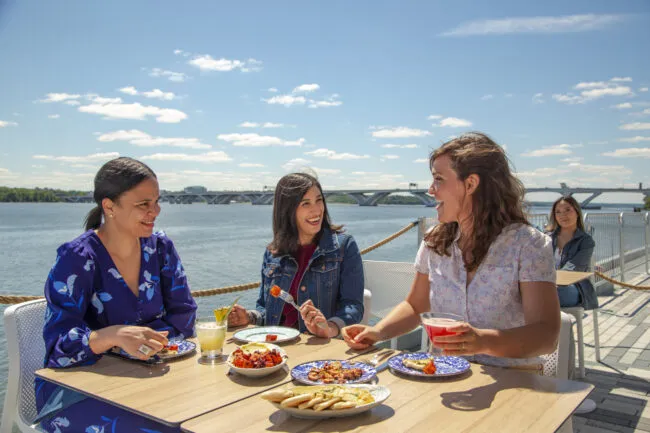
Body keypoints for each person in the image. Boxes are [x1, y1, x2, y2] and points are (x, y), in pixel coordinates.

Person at [342, 132, 561, 369]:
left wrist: (483, 341)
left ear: (470, 184)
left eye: (438, 179)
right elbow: (415, 306)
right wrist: (377, 331)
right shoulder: (435, 242)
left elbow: (546, 336)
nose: (430, 190)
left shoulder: (528, 245)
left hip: (515, 383)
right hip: (443, 374)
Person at [35, 157, 197, 433]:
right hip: (81, 391)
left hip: (154, 377)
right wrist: (111, 336)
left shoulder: (160, 248)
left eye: (156, 201)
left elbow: (184, 316)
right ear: (109, 206)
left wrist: (148, 349)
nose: (155, 211)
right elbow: (57, 348)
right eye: (143, 204)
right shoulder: (77, 258)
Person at [228, 172, 364, 338]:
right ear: (288, 210)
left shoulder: (343, 247)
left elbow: (353, 306)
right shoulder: (273, 253)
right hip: (275, 349)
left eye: (319, 200)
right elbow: (264, 309)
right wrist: (249, 317)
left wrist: (329, 327)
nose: (316, 210)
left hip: (319, 349)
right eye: (305, 203)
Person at [546, 196, 598, 309]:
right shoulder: (546, 238)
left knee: (552, 293)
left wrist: (549, 283)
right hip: (547, 285)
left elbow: (573, 268)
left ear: (577, 212)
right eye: (558, 212)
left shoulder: (586, 241)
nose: (563, 215)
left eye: (567, 210)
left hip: (573, 287)